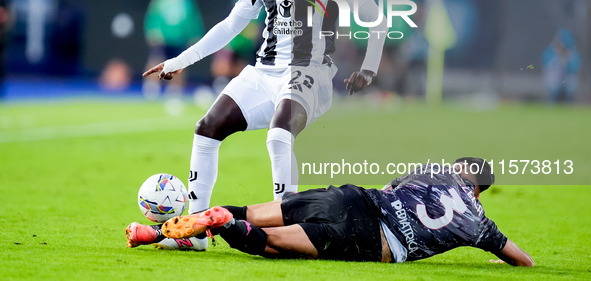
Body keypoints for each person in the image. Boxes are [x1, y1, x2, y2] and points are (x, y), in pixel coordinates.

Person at [142, 0, 386, 249]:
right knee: (206, 129)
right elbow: (232, 24)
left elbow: (376, 18)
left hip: (310, 71)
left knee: (278, 135)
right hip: (263, 71)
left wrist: (369, 67)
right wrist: (183, 59)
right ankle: (193, 234)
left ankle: (292, 230)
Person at [125, 157, 534, 267]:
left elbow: (392, 189)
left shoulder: (431, 169)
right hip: (372, 240)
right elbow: (521, 260)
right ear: (479, 193)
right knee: (271, 245)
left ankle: (157, 233)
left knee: (255, 209)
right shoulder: (478, 221)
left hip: (354, 197)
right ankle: (229, 226)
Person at [142, 0, 205, 100]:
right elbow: (152, 18)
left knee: (180, 64)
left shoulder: (187, 1)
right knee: (156, 61)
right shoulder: (160, 0)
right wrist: (153, 31)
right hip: (163, 39)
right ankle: (151, 88)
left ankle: (175, 91)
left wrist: (195, 35)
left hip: (180, 39)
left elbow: (193, 20)